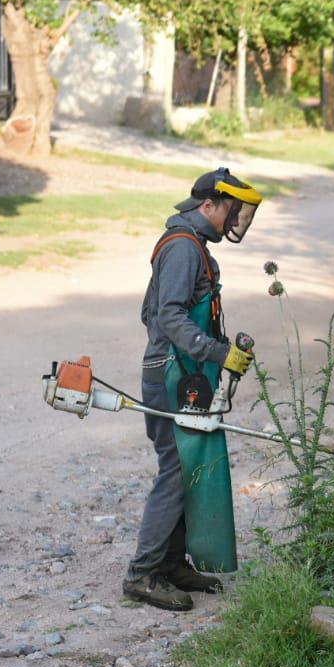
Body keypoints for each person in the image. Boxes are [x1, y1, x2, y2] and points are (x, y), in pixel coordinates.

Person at [124, 167, 262, 611]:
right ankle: (142, 574)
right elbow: (167, 316)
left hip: (181, 372)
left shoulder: (190, 245)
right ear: (209, 205)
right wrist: (217, 354)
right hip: (169, 373)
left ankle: (169, 564)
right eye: (233, 210)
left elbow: (159, 313)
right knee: (177, 470)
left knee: (189, 466)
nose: (235, 220)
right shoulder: (183, 248)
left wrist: (216, 352)